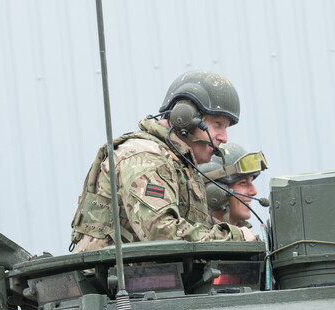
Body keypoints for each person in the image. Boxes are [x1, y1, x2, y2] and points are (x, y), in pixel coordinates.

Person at [70, 70, 257, 252]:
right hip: (114, 272)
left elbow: (194, 230)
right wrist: (234, 237)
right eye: (217, 125)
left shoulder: (178, 164)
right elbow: (161, 233)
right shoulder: (145, 157)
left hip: (142, 270)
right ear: (184, 118)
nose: (224, 138)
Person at [198, 143, 268, 228]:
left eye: (251, 181)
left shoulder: (244, 233)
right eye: (243, 183)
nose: (254, 192)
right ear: (214, 191)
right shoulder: (197, 234)